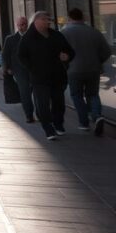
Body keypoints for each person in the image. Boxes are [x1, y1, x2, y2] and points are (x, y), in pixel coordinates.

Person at [18, 11, 76, 141]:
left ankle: (58, 124)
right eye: (44, 19)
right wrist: (32, 68)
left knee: (58, 103)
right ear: (36, 21)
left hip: (57, 76)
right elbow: (21, 56)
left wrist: (67, 56)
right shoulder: (28, 37)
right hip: (39, 77)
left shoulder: (56, 35)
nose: (48, 22)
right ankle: (48, 129)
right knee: (42, 104)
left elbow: (70, 51)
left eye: (48, 19)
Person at [61, 8, 111, 136]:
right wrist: (98, 61)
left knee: (76, 95)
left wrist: (65, 64)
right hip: (93, 69)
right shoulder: (94, 32)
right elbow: (106, 51)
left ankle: (84, 122)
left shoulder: (64, 33)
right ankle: (96, 115)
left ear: (69, 18)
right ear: (82, 17)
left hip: (74, 69)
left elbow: (59, 52)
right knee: (92, 94)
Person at [2, 16, 34, 123]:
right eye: (19, 25)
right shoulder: (10, 39)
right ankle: (29, 115)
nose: (21, 27)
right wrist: (7, 68)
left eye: (24, 25)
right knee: (25, 92)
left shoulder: (33, 37)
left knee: (38, 93)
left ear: (27, 25)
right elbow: (5, 55)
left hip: (34, 69)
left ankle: (41, 113)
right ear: (17, 25)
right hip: (19, 70)